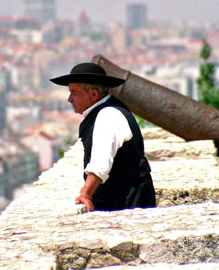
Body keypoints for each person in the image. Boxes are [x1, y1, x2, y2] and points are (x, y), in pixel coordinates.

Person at [50, 62, 156, 212]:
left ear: (93, 94)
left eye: (74, 92)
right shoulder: (108, 111)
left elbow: (101, 161)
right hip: (126, 199)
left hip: (128, 202)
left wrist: (85, 193)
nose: (70, 99)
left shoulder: (108, 115)